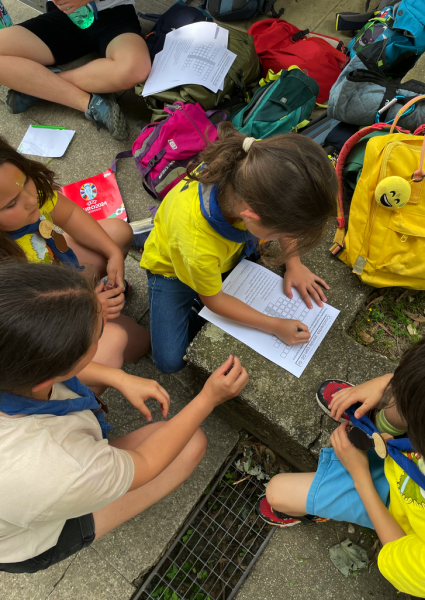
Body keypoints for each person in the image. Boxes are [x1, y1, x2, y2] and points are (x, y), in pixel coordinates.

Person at [0, 260, 249, 572]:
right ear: (45, 378)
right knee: (191, 443)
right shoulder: (60, 466)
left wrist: (119, 378)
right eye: (97, 332)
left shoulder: (11, 365)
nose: (102, 324)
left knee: (117, 342)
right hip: (33, 536)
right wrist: (209, 398)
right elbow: (145, 464)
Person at [258, 332, 425, 599]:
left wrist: (360, 475)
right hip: (411, 469)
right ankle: (384, 417)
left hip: (397, 508)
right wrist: (388, 385)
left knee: (276, 492)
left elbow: (396, 546)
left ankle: (317, 510)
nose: (392, 395)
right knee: (410, 403)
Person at [140, 125, 339, 373]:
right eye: (282, 233)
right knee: (169, 361)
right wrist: (274, 325)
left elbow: (289, 211)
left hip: (220, 252)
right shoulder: (197, 246)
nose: (286, 238)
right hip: (171, 270)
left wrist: (294, 263)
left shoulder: (257, 165)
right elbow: (214, 300)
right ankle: (149, 238)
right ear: (251, 216)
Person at [0, 135, 150, 388]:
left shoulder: (30, 195)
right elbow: (31, 327)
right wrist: (92, 308)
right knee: (136, 342)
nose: (29, 199)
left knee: (117, 232)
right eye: (12, 203)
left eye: (25, 181)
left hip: (58, 278)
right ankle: (80, 398)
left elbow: (69, 214)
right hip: (44, 331)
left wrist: (113, 253)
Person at [0, 0, 152, 140]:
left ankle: (40, 85)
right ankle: (88, 102)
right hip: (63, 15)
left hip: (113, 14)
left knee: (135, 69)